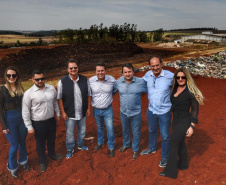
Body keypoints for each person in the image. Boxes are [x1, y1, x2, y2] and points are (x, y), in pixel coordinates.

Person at [159, 67, 204, 178]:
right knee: (181, 143)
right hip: (176, 119)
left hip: (184, 121)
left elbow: (194, 109)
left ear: (187, 78)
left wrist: (192, 126)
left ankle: (170, 172)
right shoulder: (175, 88)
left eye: (183, 77)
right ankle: (183, 164)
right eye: (178, 77)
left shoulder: (191, 92)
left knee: (173, 144)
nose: (180, 79)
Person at [22, 69, 62, 172]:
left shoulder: (51, 88)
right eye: (37, 79)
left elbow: (55, 103)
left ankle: (52, 154)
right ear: (32, 79)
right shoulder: (29, 93)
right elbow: (25, 111)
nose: (40, 81)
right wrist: (29, 127)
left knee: (51, 139)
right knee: (40, 143)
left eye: (42, 78)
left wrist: (57, 114)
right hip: (38, 123)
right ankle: (42, 161)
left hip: (51, 120)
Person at [141, 56, 174, 168]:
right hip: (151, 110)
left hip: (164, 111)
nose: (155, 68)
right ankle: (152, 148)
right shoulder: (147, 75)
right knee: (152, 130)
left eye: (157, 65)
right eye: (153, 66)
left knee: (165, 135)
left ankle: (165, 156)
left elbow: (181, 85)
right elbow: (139, 84)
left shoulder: (170, 76)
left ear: (161, 64)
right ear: (150, 66)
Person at [57, 58, 91, 159]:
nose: (73, 69)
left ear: (78, 68)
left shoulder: (85, 79)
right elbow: (59, 98)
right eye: (71, 68)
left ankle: (80, 145)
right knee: (69, 133)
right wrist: (63, 112)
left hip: (82, 111)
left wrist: (88, 108)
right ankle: (70, 149)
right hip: (70, 112)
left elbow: (89, 95)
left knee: (82, 131)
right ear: (68, 70)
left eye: (75, 67)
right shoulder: (62, 81)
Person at [114, 63, 147, 160]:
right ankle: (126, 144)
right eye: (125, 72)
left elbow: (150, 90)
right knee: (125, 130)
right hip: (123, 112)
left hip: (136, 112)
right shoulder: (118, 82)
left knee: (136, 132)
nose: (127, 74)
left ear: (133, 71)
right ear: (122, 73)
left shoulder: (141, 82)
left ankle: (135, 149)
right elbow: (112, 91)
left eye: (129, 71)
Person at [0, 66, 28, 178]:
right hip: (10, 119)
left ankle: (23, 160)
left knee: (22, 142)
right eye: (9, 75)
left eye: (13, 75)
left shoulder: (20, 87)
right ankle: (12, 166)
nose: (11, 77)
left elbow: (26, 105)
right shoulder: (2, 90)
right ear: (6, 77)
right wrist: (3, 125)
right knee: (14, 145)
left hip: (21, 118)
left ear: (17, 76)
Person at [89, 62, 115, 157]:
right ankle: (100, 142)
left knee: (110, 128)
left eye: (102, 70)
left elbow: (115, 90)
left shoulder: (111, 79)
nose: (100, 72)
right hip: (96, 109)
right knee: (99, 127)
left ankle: (111, 146)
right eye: (98, 71)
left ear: (105, 71)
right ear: (95, 72)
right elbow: (89, 94)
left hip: (108, 109)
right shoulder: (91, 81)